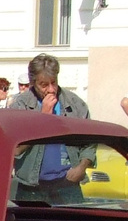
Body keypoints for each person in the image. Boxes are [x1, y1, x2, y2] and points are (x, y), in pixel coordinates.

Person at [10, 53, 96, 204]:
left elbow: (89, 142)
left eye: (53, 83)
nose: (51, 89)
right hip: (31, 186)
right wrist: (43, 118)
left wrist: (81, 168)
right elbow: (16, 148)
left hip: (67, 185)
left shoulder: (74, 104)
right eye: (44, 85)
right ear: (32, 83)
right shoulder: (20, 106)